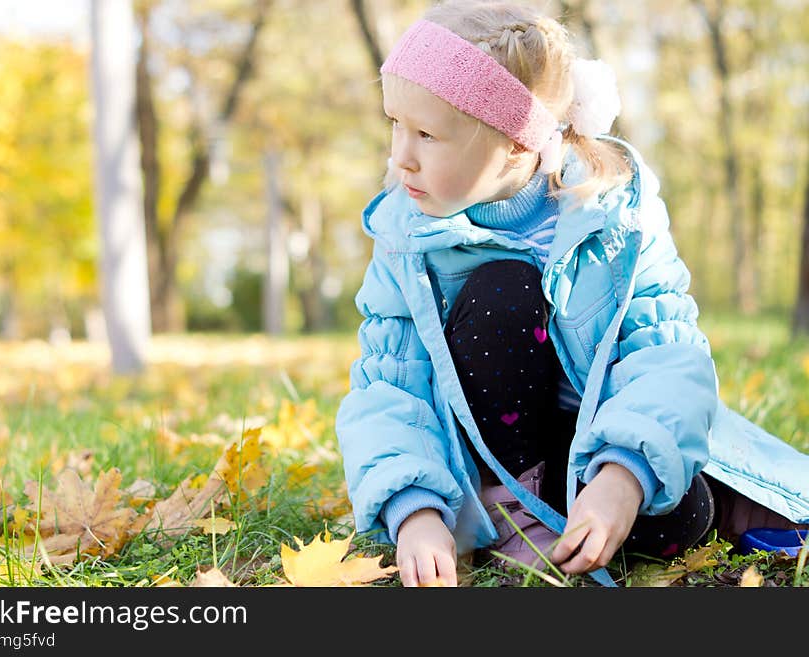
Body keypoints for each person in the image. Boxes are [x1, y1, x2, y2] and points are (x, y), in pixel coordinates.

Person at [335, 0, 809, 587]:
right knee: (501, 289)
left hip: (584, 438)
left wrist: (623, 476)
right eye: (395, 124)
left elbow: (665, 351)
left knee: (680, 514)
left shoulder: (614, 220)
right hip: (482, 458)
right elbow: (389, 384)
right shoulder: (409, 238)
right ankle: (512, 518)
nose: (399, 155)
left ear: (514, 143)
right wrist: (414, 510)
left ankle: (636, 504)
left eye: (427, 134)